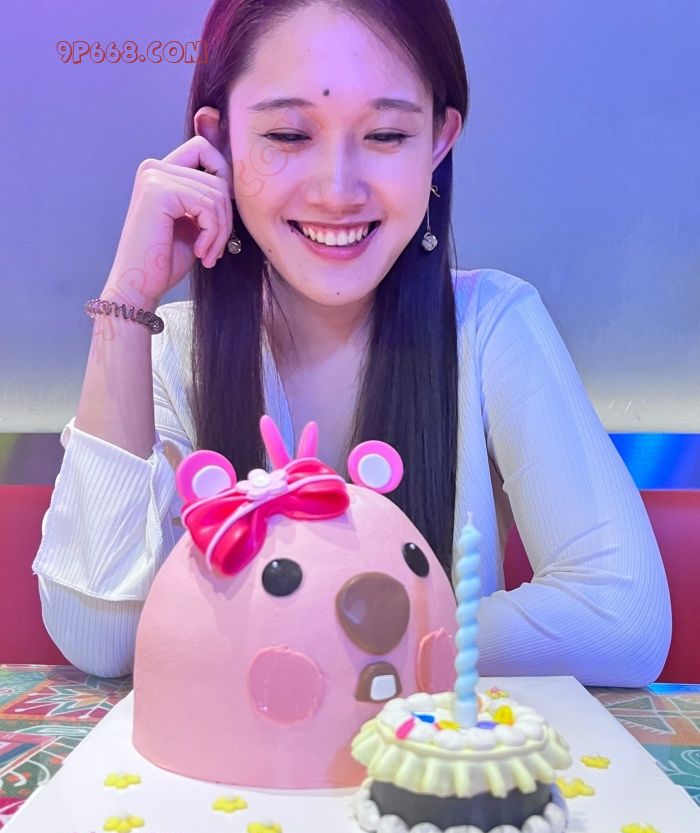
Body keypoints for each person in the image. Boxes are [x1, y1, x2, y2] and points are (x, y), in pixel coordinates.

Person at [33, 0, 671, 684]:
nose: (337, 191)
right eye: (287, 134)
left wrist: (326, 652)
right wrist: (127, 304)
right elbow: (101, 636)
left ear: (439, 142)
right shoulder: (174, 355)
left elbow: (620, 617)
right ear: (219, 143)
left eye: (386, 135)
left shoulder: (490, 325)